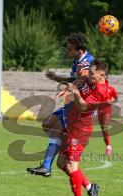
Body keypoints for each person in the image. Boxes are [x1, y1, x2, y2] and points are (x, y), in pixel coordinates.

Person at [27, 33, 94, 177]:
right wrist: (56, 78)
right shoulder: (77, 61)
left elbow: (84, 78)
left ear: (79, 50)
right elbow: (74, 78)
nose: (67, 51)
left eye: (70, 49)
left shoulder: (88, 61)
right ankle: (65, 144)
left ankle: (46, 166)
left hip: (81, 108)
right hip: (72, 105)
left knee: (57, 127)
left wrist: (69, 88)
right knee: (47, 123)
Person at [56, 59, 109, 196]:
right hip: (72, 124)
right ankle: (90, 187)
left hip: (81, 130)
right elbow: (80, 80)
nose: (90, 76)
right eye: (90, 72)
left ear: (102, 75)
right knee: (61, 163)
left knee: (72, 166)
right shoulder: (90, 78)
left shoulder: (102, 91)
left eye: (93, 74)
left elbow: (83, 107)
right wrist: (68, 89)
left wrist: (76, 94)